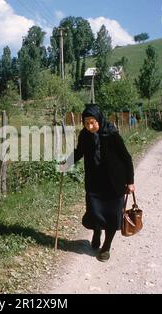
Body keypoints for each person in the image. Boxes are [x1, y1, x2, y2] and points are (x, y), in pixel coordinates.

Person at [62, 105, 135, 262]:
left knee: (113, 217)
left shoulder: (112, 135)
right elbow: (79, 152)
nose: (89, 126)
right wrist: (66, 164)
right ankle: (97, 231)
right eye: (86, 123)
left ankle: (106, 247)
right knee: (95, 213)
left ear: (99, 120)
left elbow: (126, 158)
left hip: (114, 184)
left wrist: (130, 182)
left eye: (92, 122)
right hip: (94, 183)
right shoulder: (85, 135)